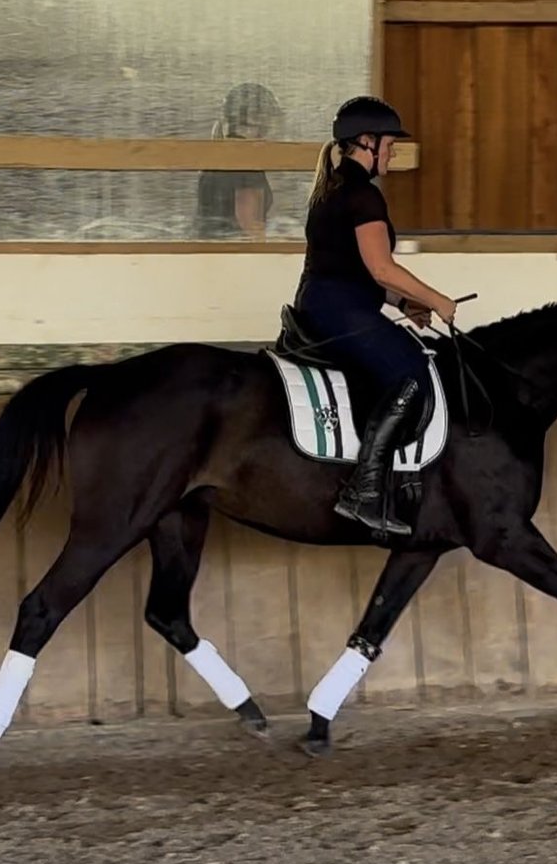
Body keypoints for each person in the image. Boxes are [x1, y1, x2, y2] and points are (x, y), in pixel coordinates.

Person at [292, 95, 457, 536]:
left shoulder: (332, 190)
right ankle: (364, 492)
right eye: (389, 144)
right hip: (339, 310)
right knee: (410, 373)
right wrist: (438, 299)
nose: (392, 152)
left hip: (323, 304)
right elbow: (381, 267)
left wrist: (404, 305)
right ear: (366, 142)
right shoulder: (363, 197)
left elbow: (348, 267)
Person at [194, 82, 283, 240]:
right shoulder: (245, 160)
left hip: (208, 249)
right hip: (235, 256)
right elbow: (250, 226)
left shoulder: (219, 156)